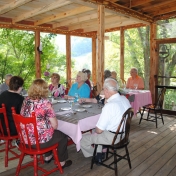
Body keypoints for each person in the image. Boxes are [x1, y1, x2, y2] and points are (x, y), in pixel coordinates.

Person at [20, 79, 72, 168]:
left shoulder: (26, 100)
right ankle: (62, 162)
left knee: (47, 132)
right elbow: (55, 126)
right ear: (44, 90)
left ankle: (48, 156)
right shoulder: (45, 103)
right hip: (38, 143)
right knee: (62, 135)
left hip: (25, 140)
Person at [80, 78, 131, 161]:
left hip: (113, 138)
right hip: (124, 135)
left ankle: (96, 155)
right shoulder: (124, 99)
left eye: (103, 89)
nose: (103, 91)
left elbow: (99, 131)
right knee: (97, 130)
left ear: (106, 90)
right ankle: (100, 153)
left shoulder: (109, 106)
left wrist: (96, 129)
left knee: (82, 139)